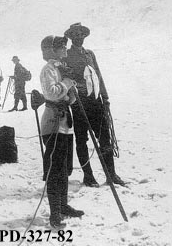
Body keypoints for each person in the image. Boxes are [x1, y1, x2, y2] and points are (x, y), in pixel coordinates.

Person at [63, 22, 125, 187]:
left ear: (84, 36)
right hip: (79, 104)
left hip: (95, 102)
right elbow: (65, 79)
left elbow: (98, 74)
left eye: (81, 34)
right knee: (82, 140)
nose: (79, 37)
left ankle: (111, 174)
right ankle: (88, 176)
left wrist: (105, 97)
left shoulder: (90, 54)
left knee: (105, 138)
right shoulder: (66, 56)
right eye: (75, 34)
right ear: (70, 37)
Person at [40, 35, 84, 229]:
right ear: (53, 50)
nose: (66, 51)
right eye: (62, 48)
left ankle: (63, 206)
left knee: (65, 169)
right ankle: (55, 213)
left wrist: (71, 89)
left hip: (65, 125)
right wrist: (66, 82)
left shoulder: (60, 68)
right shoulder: (48, 70)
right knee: (55, 170)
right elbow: (51, 93)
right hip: (52, 125)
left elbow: (69, 98)